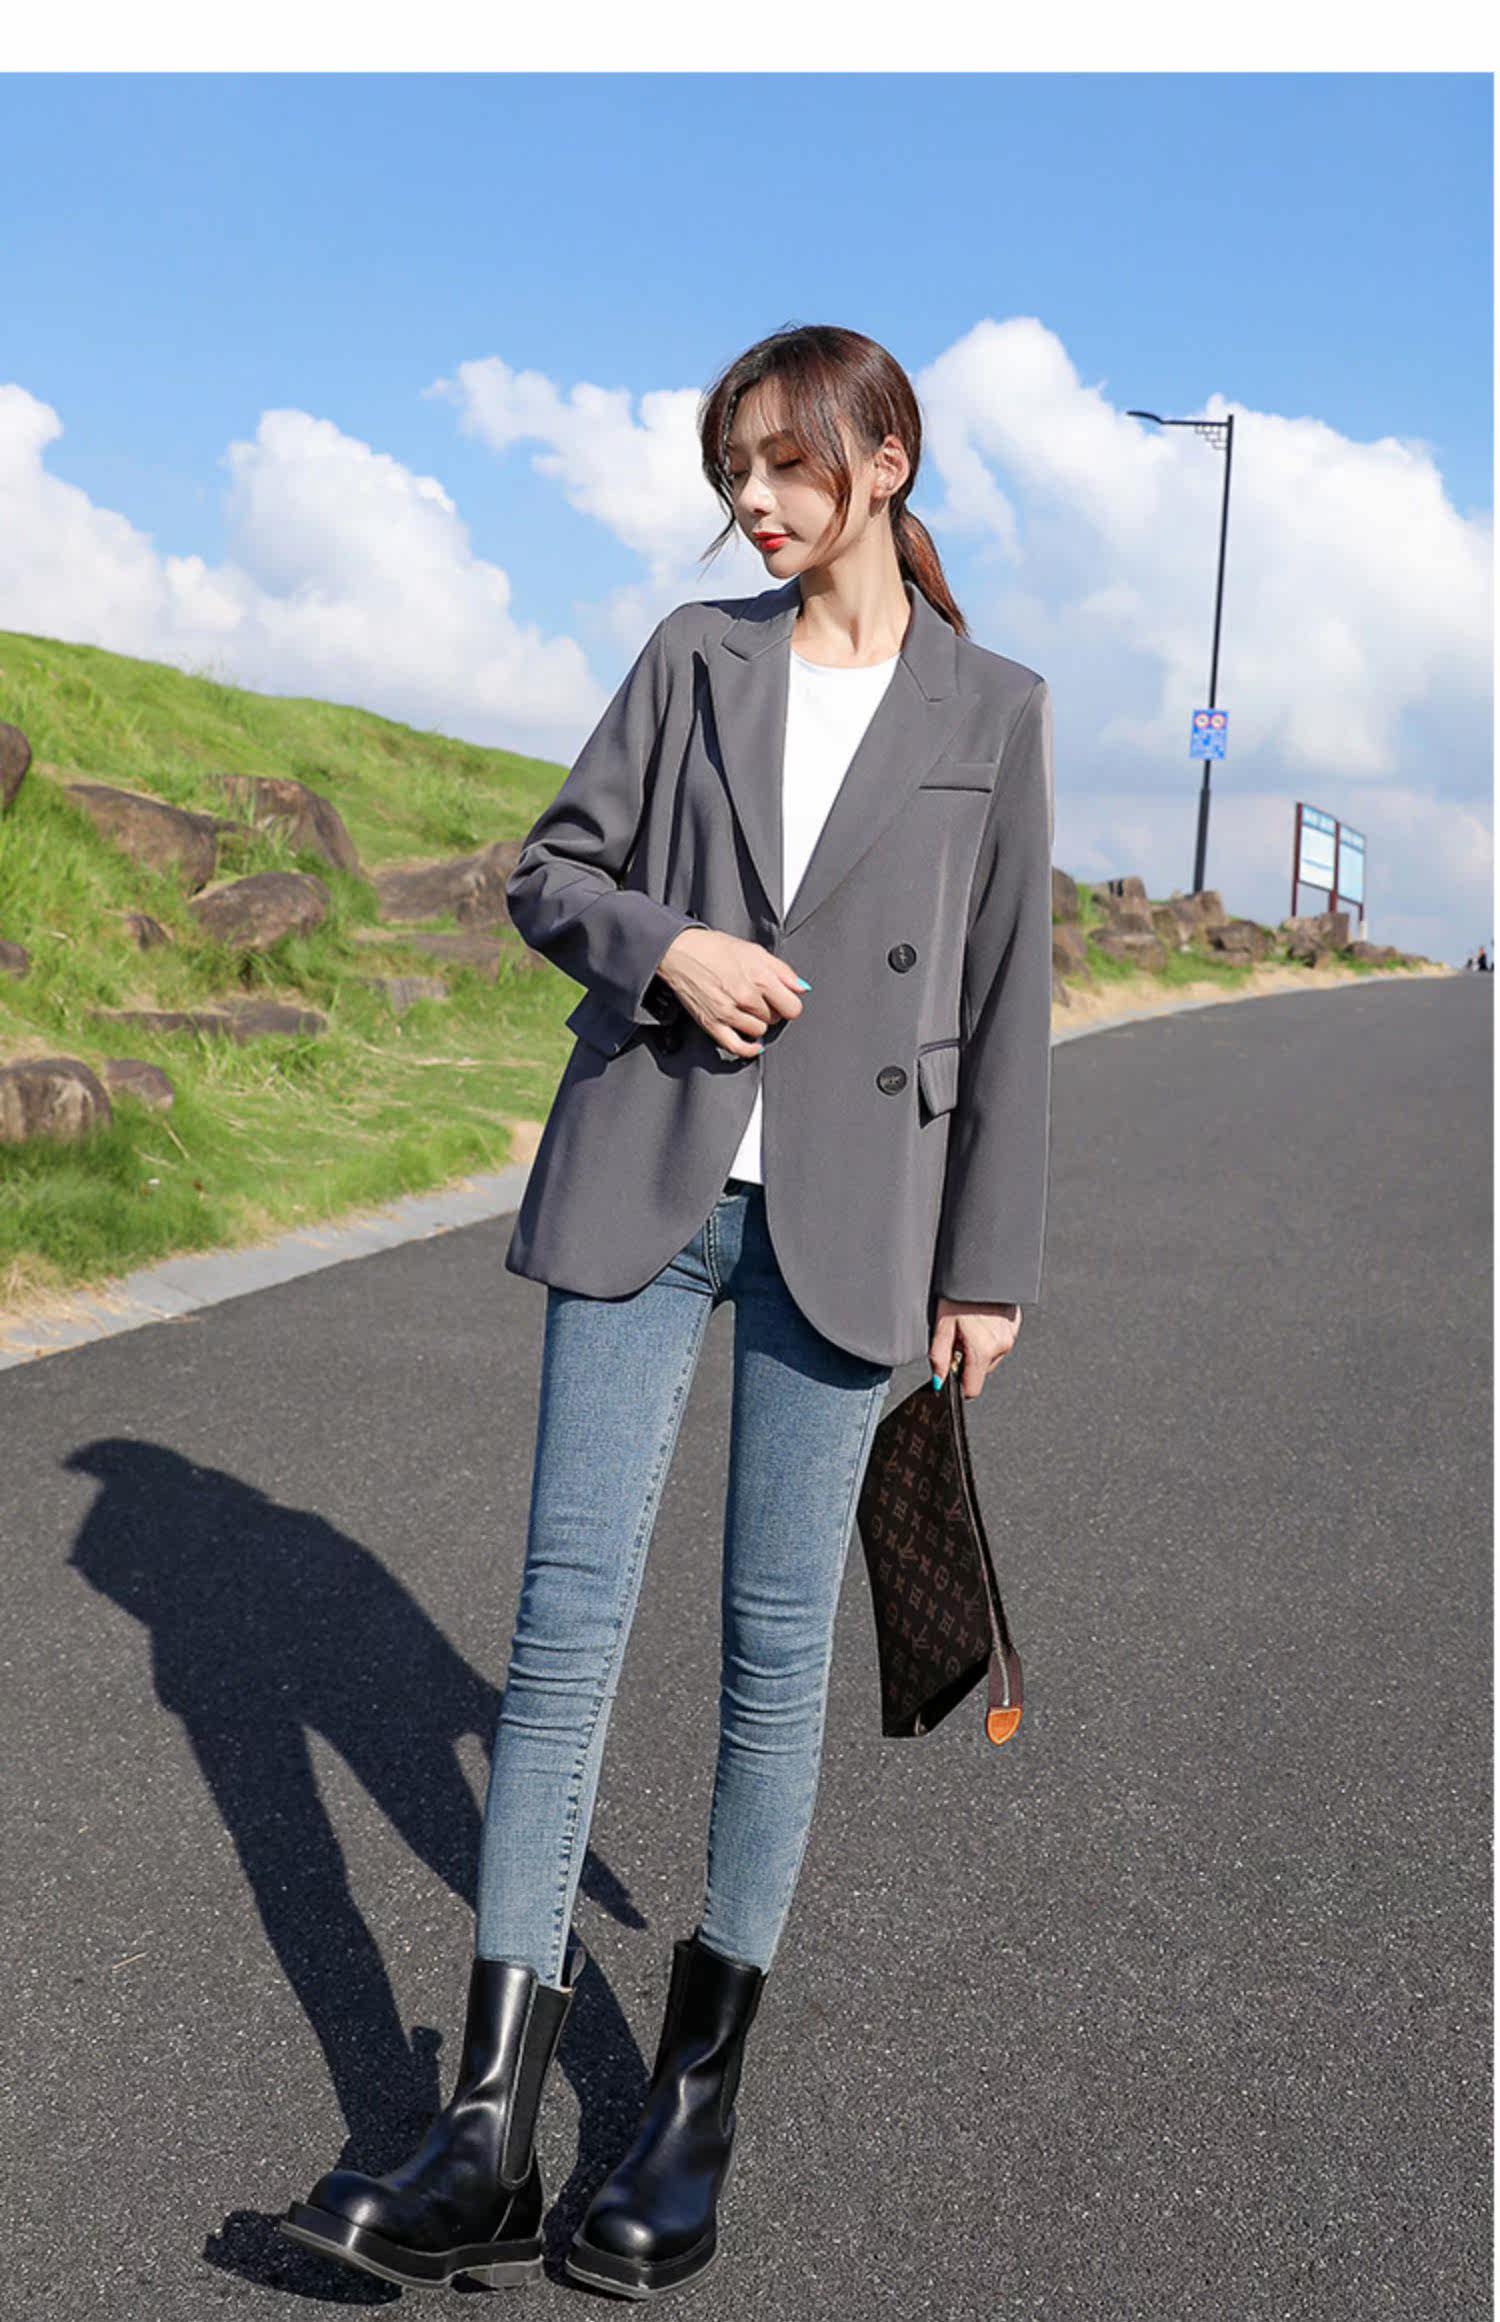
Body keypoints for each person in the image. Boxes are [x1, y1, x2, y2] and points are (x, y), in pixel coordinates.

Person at [281, 323, 1055, 2300]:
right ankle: (487, 2129)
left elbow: (1008, 1004)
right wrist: (672, 947)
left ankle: (690, 2112)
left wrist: (988, 1267)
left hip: (858, 1226)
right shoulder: (694, 658)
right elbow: (551, 871)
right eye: (734, 474)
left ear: (884, 460)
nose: (755, 504)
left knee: (773, 1659)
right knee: (563, 1636)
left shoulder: (995, 708)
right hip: (650, 1174)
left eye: (787, 466)